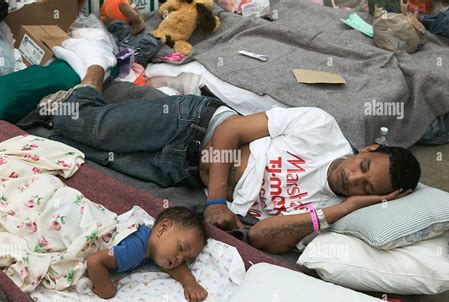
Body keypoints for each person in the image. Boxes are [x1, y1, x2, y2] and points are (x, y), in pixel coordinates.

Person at [27, 38, 421, 255]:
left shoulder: (326, 215)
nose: (352, 177)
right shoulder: (321, 129)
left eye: (364, 188)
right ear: (368, 149)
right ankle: (97, 60)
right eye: (364, 168)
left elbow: (263, 237)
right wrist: (216, 202)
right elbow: (231, 130)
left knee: (65, 151)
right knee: (79, 123)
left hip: (178, 171)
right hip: (189, 125)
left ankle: (75, 107)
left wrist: (345, 208)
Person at [87, 206, 209, 302]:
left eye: (186, 259)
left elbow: (177, 268)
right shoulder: (135, 248)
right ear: (163, 227)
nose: (179, 259)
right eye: (181, 247)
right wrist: (106, 290)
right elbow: (95, 261)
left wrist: (190, 283)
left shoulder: (154, 247)